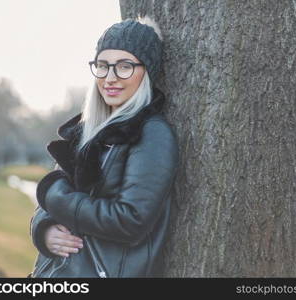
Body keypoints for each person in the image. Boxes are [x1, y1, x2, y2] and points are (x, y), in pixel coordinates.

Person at [28, 16, 179, 278]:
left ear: (147, 72)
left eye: (124, 66)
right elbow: (48, 204)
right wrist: (44, 230)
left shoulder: (151, 133)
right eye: (103, 66)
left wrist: (55, 196)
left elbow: (130, 220)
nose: (110, 78)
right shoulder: (89, 129)